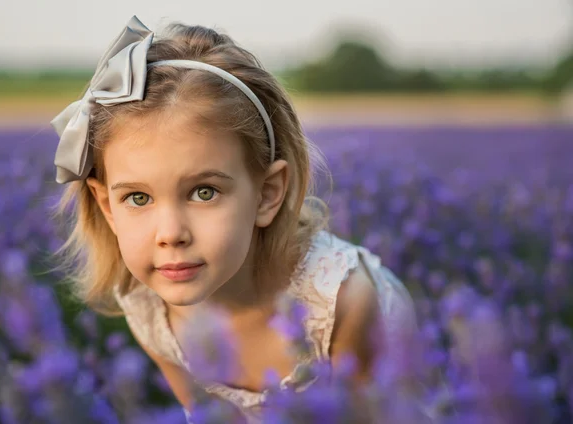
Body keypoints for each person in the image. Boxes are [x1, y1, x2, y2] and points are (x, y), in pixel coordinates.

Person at [51, 15, 418, 423]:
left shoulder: (344, 302)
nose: (170, 234)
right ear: (106, 207)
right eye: (138, 197)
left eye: (204, 192)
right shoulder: (145, 303)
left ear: (267, 193)